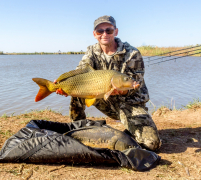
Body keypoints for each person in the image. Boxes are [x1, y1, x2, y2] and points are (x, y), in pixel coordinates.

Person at [61, 15, 161, 151]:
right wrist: (63, 84)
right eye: (100, 31)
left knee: (151, 144)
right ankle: (79, 128)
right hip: (104, 97)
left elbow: (135, 83)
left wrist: (124, 90)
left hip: (129, 103)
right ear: (94, 34)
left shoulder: (132, 54)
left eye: (109, 30)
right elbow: (80, 72)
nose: (104, 34)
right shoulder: (92, 51)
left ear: (116, 31)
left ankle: (129, 132)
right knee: (79, 89)